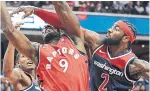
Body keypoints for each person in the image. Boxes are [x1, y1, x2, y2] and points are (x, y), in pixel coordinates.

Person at [10, 1, 150, 91]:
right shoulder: (96, 42)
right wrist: (36, 10)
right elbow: (65, 24)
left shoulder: (135, 65)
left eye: (116, 29)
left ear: (125, 38)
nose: (109, 30)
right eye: (112, 27)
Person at [1, 1, 89, 91]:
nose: (46, 27)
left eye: (50, 26)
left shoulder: (75, 41)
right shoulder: (38, 51)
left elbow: (61, 5)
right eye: (44, 29)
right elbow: (8, 30)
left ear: (61, 30)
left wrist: (36, 10)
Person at [2, 22, 41, 91]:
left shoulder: (41, 78)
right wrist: (12, 39)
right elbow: (8, 72)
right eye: (23, 56)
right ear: (18, 63)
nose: (29, 58)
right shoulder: (20, 75)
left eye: (30, 56)